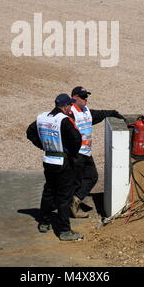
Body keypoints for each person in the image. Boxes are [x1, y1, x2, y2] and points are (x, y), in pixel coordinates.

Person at [26, 93, 84, 241]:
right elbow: (77, 139)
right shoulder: (64, 120)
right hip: (62, 161)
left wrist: (43, 145)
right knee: (64, 196)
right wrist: (72, 153)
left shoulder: (43, 117)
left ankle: (44, 222)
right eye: (70, 105)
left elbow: (30, 132)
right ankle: (64, 231)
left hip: (48, 159)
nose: (71, 107)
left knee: (49, 191)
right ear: (64, 107)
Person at [69, 86, 126, 218]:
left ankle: (75, 200)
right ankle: (69, 207)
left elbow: (99, 115)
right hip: (75, 154)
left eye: (86, 97)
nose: (86, 99)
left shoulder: (85, 111)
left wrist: (113, 113)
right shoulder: (69, 112)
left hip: (85, 152)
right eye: (83, 97)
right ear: (74, 98)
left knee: (92, 176)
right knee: (75, 181)